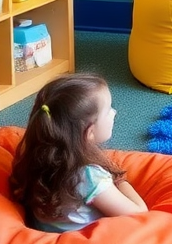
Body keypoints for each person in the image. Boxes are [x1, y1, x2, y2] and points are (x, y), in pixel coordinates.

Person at [8, 73, 147, 232]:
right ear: (90, 132)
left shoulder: (35, 152)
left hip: (44, 236)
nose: (113, 113)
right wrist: (121, 180)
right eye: (108, 110)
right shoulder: (88, 176)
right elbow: (139, 214)